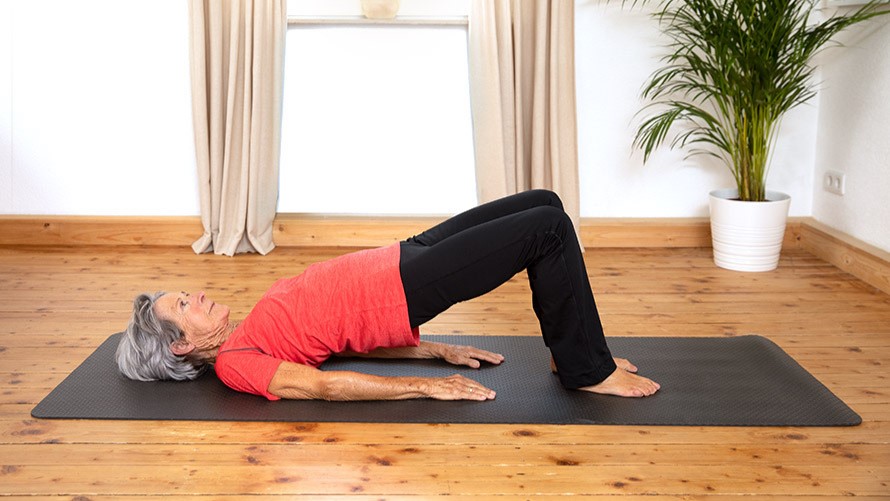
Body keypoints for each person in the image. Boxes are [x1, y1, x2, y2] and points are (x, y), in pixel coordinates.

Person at [117, 190, 660, 401]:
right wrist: (425, 386)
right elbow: (323, 385)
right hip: (404, 287)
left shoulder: (246, 334)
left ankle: (570, 350)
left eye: (185, 294)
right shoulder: (236, 364)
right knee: (548, 229)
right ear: (182, 345)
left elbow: (337, 341)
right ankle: (586, 370)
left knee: (544, 202)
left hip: (401, 255)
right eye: (183, 305)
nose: (197, 295)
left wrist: (434, 349)